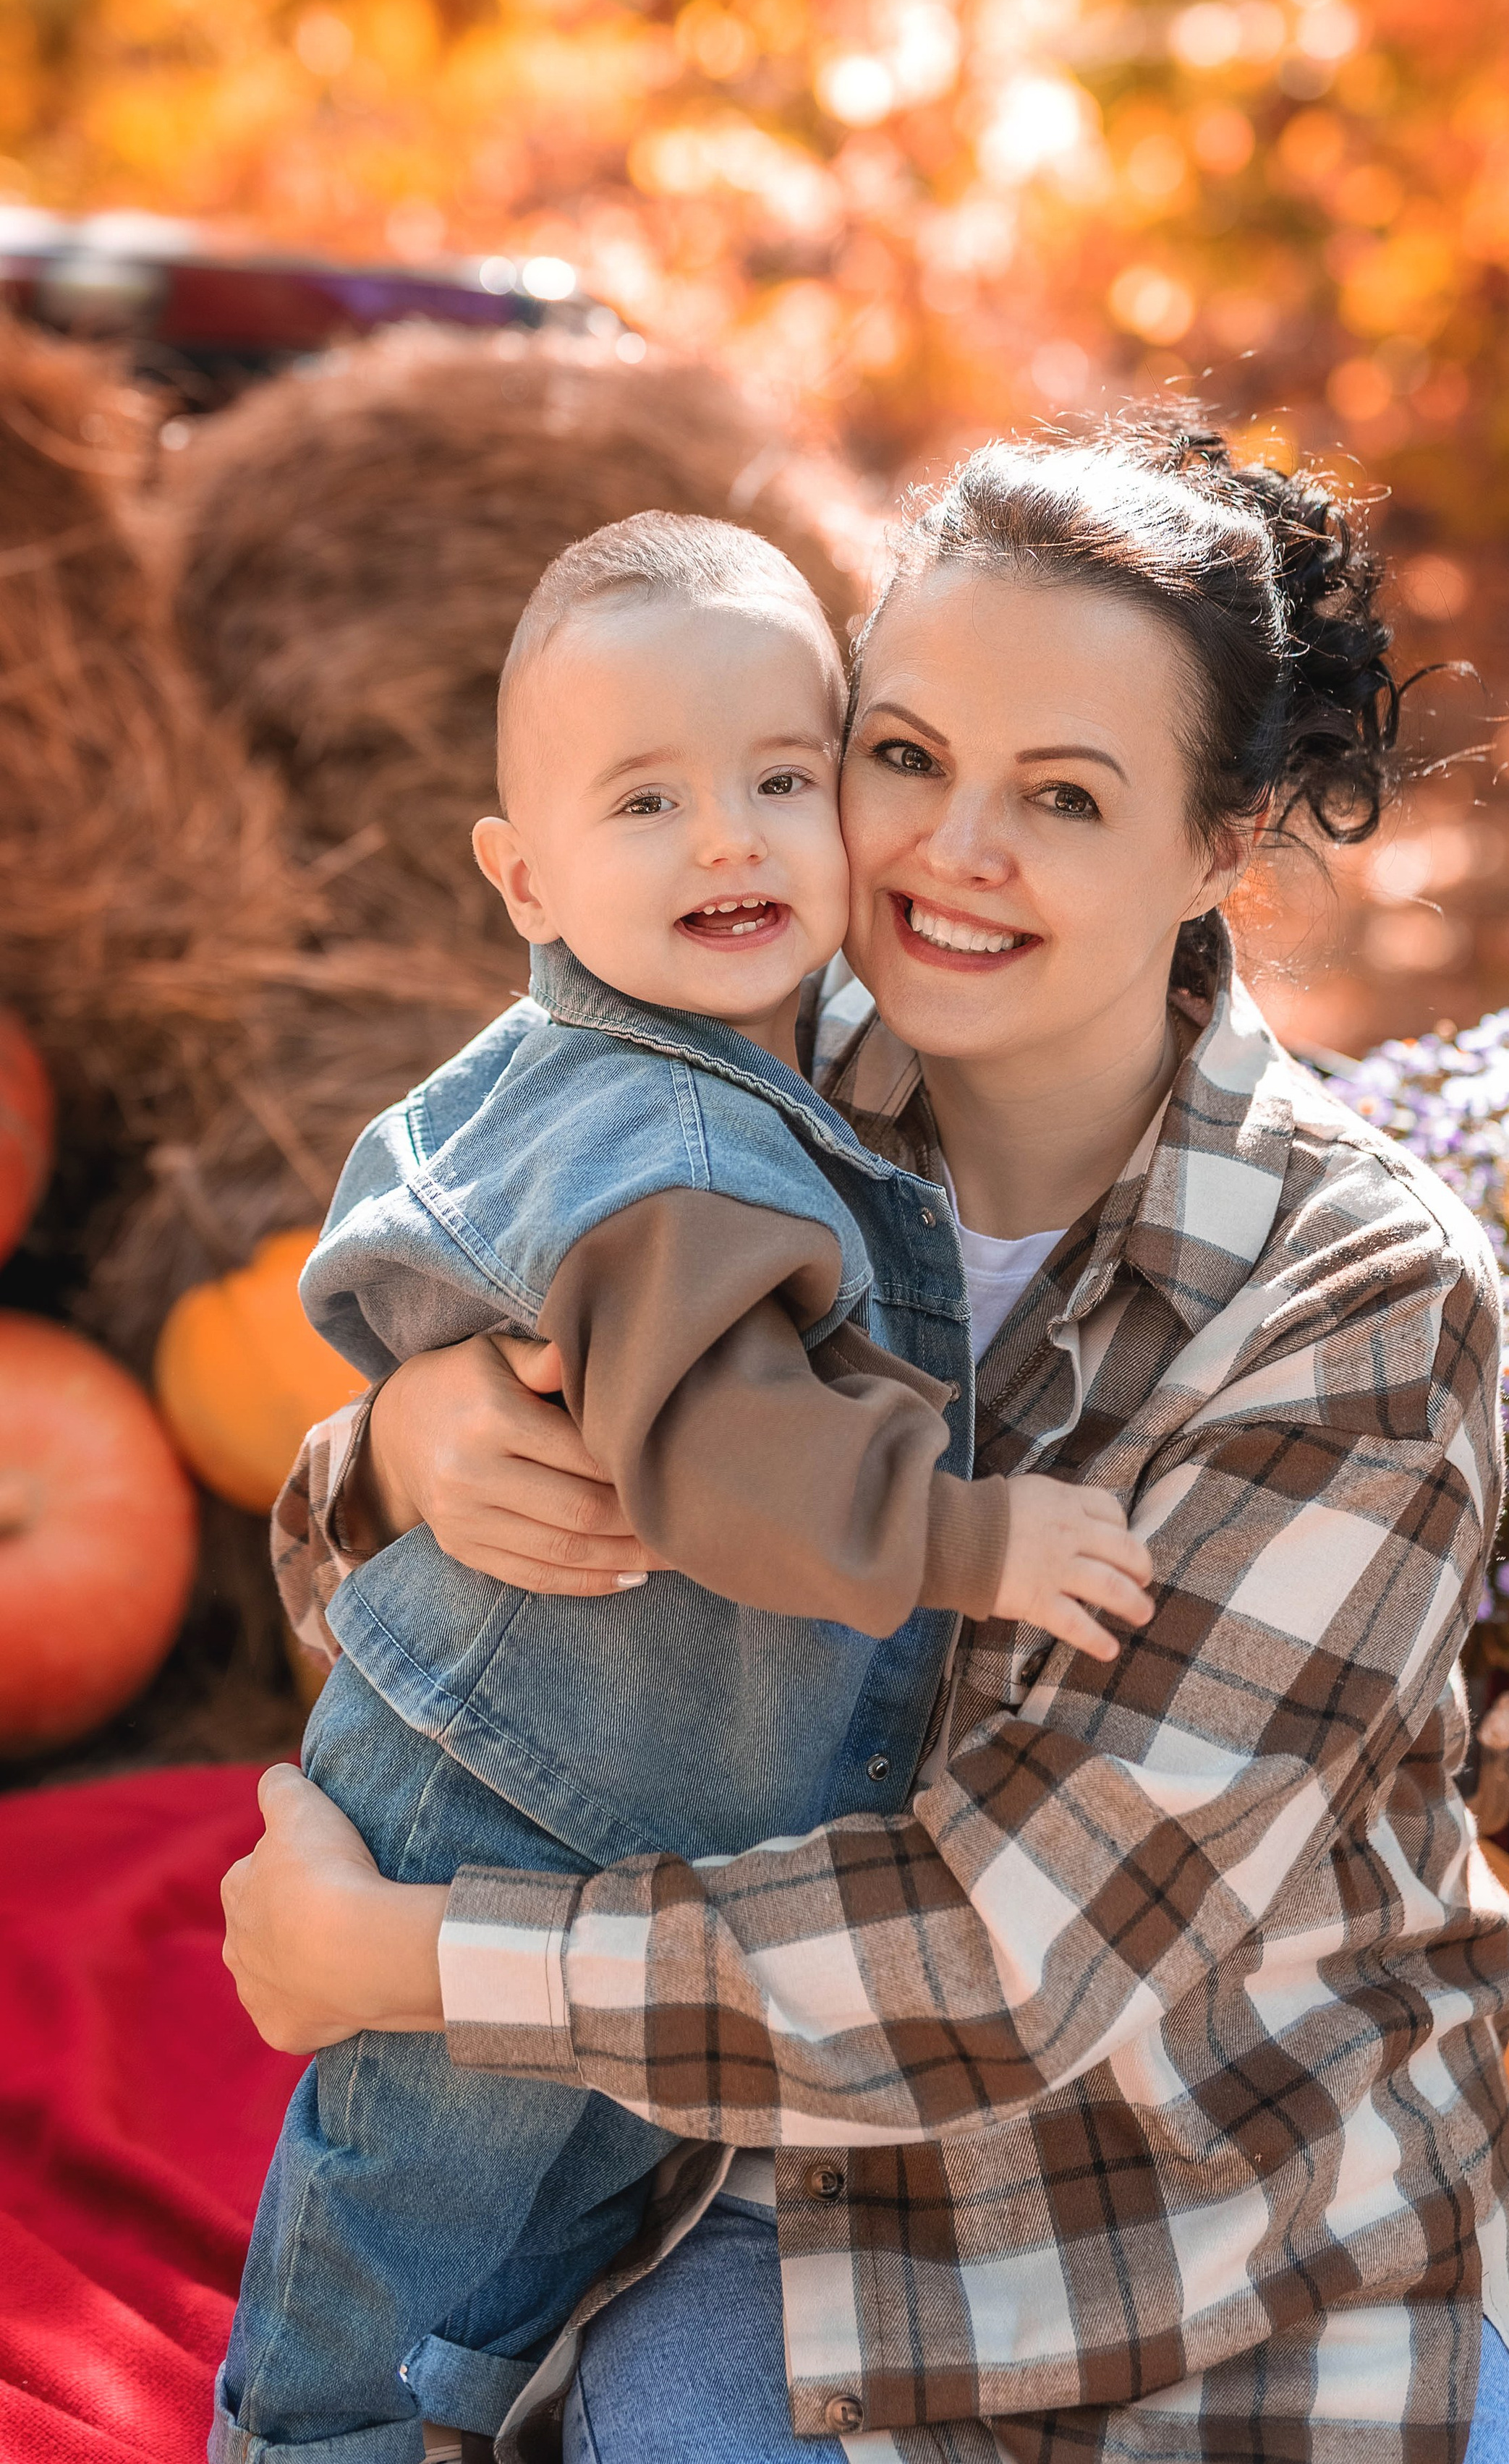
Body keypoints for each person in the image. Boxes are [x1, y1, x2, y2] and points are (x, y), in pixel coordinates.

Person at [224, 406, 1509, 2464]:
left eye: (1064, 794)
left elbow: (1013, 1967)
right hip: (790, 2188)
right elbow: (393, 1599)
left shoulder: (1356, 1301)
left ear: (1222, 845)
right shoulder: (724, 1109)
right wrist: (411, 1450)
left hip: (1244, 2225)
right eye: (903, 756)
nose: (955, 850)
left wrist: (411, 1957)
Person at [216, 510, 1149, 2464]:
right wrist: (976, 1536)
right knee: (405, 2242)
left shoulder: (736, 1067)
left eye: (779, 780)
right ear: (525, 876)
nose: (728, 838)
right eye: (649, 801)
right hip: (507, 1811)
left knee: (532, 2235)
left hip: (617, 1817)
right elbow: (730, 1458)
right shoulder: (669, 1143)